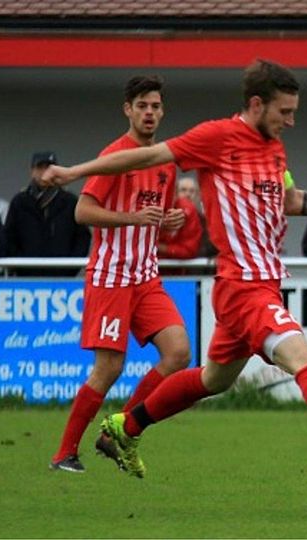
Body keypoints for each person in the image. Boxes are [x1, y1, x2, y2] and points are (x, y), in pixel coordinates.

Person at [43, 59, 307, 479]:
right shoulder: (216, 137)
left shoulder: (273, 146)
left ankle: (124, 427)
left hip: (262, 284)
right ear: (257, 104)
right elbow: (146, 155)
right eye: (284, 112)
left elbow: (290, 202)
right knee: (305, 362)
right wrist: (74, 171)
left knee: (213, 379)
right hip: (243, 287)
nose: (290, 121)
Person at [49, 76, 192, 473]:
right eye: (142, 105)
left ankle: (120, 430)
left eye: (156, 106)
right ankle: (64, 453)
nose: (150, 113)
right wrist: (133, 217)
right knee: (109, 368)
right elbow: (83, 212)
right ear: (127, 110)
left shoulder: (163, 160)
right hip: (111, 277)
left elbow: (153, 216)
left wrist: (170, 220)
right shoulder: (114, 155)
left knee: (179, 351)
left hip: (146, 277)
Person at [4, 152, 91, 277]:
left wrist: (70, 268)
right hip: (26, 278)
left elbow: (82, 238)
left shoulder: (69, 201)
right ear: (32, 171)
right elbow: (9, 237)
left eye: (49, 168)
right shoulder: (20, 202)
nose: (44, 172)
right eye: (40, 168)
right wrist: (20, 266)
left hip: (63, 277)